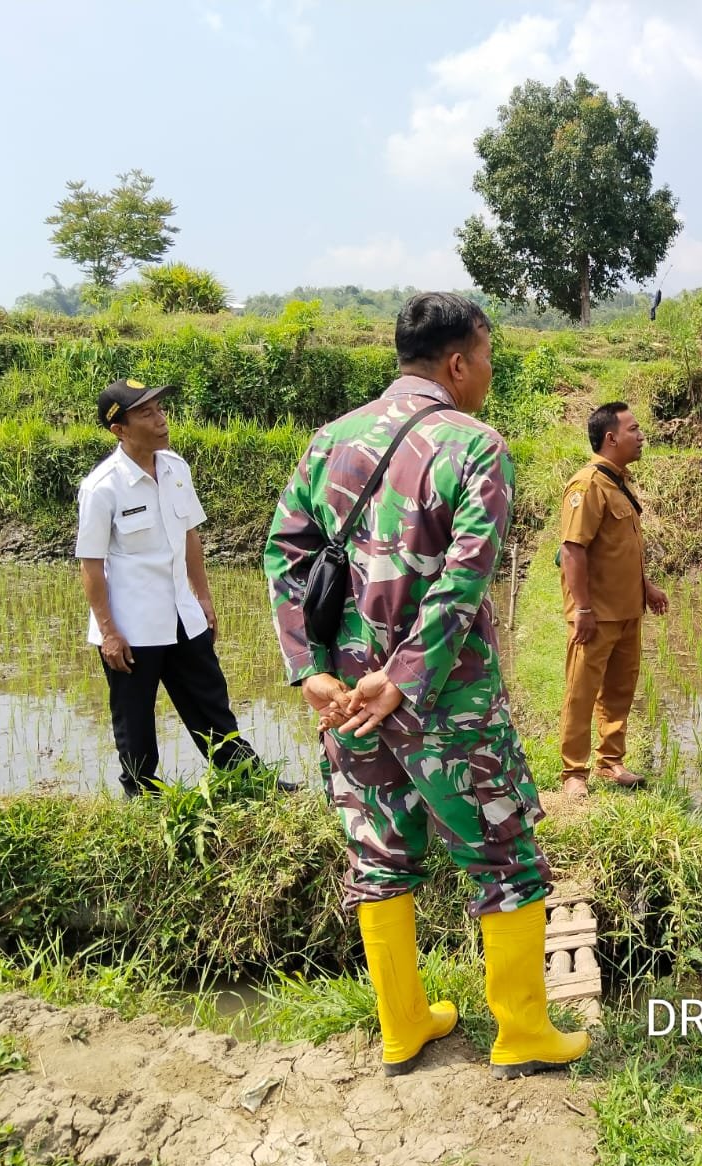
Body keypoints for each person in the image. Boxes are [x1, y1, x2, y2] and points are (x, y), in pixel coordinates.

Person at [263, 293, 588, 1079]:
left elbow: (284, 555)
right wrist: (405, 681)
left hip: (347, 699)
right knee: (505, 857)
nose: (486, 375)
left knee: (379, 857)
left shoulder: (330, 441)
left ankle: (403, 1025)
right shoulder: (476, 446)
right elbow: (462, 583)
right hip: (446, 701)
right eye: (486, 359)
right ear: (456, 362)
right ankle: (520, 1032)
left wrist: (311, 670)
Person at [76, 379, 282, 797]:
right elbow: (91, 565)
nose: (160, 418)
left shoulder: (176, 468)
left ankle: (250, 784)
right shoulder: (102, 488)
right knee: (135, 722)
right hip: (132, 629)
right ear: (120, 429)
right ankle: (144, 798)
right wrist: (109, 633)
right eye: (146, 413)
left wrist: (202, 597)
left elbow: (190, 537)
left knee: (212, 706)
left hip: (182, 616)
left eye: (159, 408)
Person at [557, 402, 668, 801]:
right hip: (596, 615)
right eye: (634, 429)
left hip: (626, 611)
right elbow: (573, 550)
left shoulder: (619, 482)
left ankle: (610, 761)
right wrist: (582, 608)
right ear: (611, 438)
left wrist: (647, 587)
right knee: (582, 692)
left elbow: (622, 548)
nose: (641, 437)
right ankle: (574, 772)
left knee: (620, 690)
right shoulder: (587, 486)